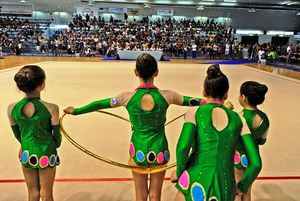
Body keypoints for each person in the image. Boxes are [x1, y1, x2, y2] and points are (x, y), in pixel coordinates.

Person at [64, 53, 204, 201]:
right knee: (156, 195)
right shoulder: (168, 96)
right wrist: (217, 103)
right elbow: (193, 101)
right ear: (156, 72)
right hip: (160, 150)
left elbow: (99, 104)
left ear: (136, 72)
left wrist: (76, 111)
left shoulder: (126, 97)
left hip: (138, 150)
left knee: (141, 195)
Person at [171, 64, 262, 201]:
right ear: (226, 94)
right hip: (225, 187)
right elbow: (255, 163)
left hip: (194, 181)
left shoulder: (194, 112)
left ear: (204, 92)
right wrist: (242, 187)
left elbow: (183, 147)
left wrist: (179, 172)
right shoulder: (239, 119)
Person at [7, 65, 62, 201]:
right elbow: (58, 140)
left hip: (26, 151)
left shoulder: (11, 108)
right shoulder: (52, 108)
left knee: (33, 193)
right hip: (46, 152)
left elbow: (17, 135)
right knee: (46, 193)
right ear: (41, 85)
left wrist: (26, 144)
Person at [235, 81, 269, 201]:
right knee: (247, 190)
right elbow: (262, 141)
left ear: (243, 98)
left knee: (236, 191)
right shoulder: (264, 118)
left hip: (238, 158)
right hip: (253, 157)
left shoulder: (238, 117)